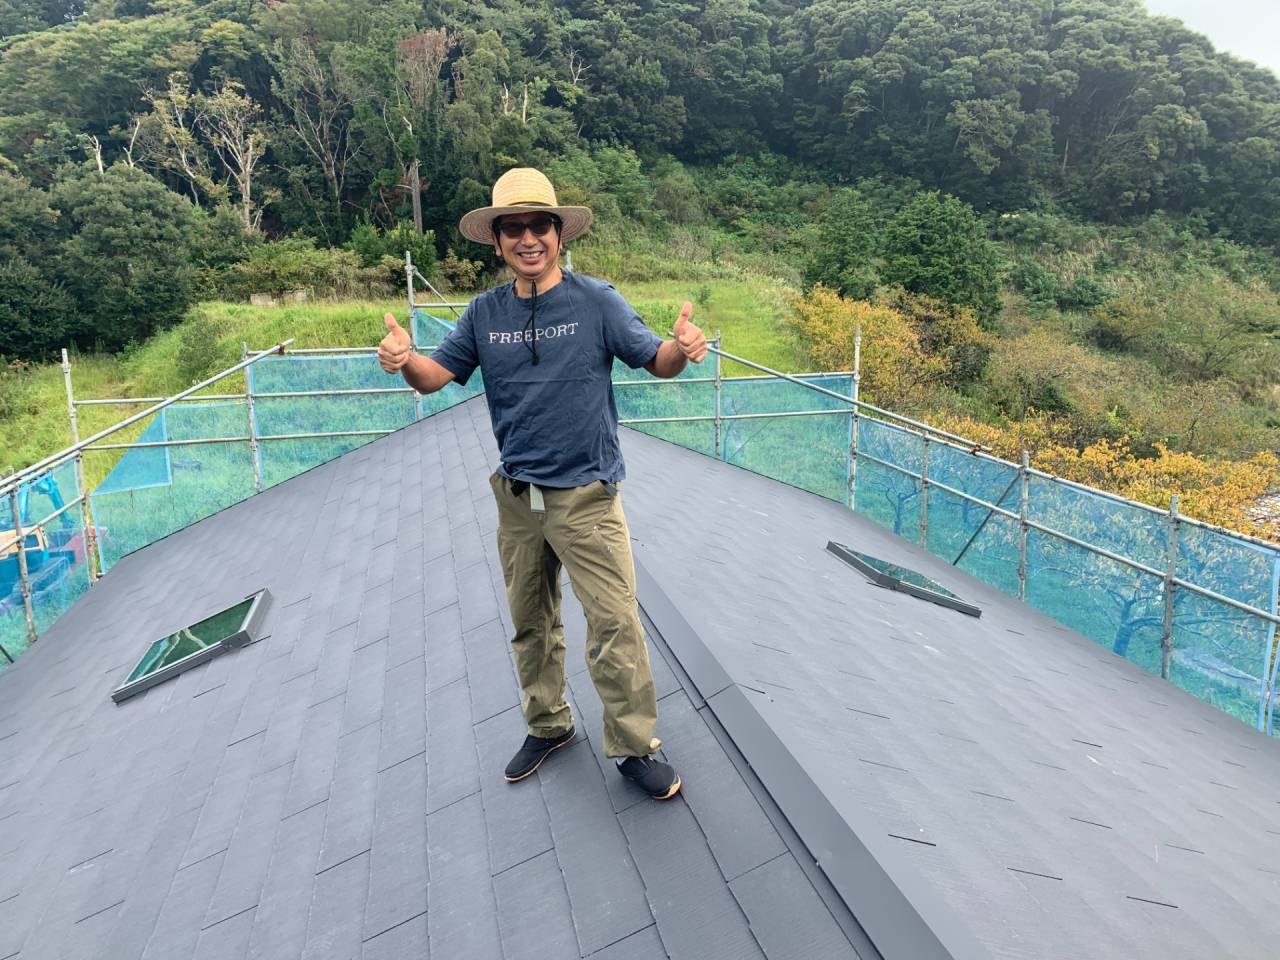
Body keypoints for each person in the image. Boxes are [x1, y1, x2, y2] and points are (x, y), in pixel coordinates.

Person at [377, 167, 707, 800]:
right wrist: (403, 360)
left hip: (587, 497)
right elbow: (434, 376)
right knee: (531, 623)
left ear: (559, 233)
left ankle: (633, 745)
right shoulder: (484, 313)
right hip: (518, 497)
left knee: (614, 625)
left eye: (539, 226)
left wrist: (681, 347)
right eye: (513, 228)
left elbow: (657, 361)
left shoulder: (596, 301)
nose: (527, 238)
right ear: (497, 241)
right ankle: (549, 724)